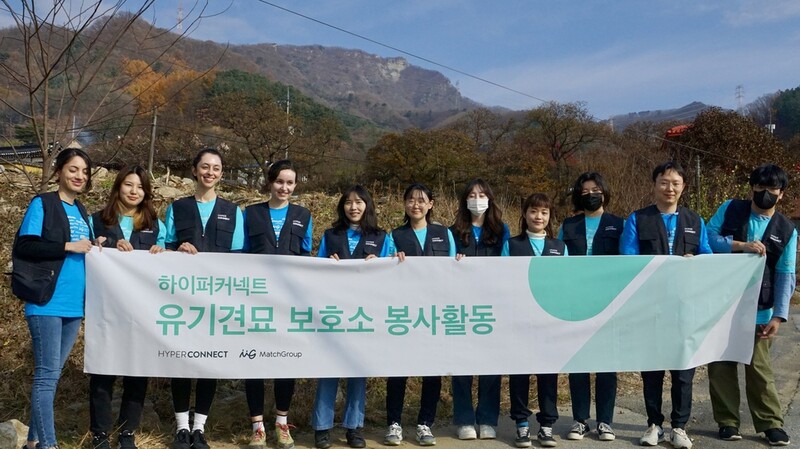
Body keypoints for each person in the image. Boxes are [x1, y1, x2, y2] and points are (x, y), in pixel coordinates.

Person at [619, 161, 712, 449]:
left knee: (684, 370)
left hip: (685, 308)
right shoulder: (637, 218)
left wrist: (695, 263)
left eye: (675, 183)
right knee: (653, 369)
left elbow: (708, 257)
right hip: (651, 307)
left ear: (683, 187)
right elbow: (628, 257)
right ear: (654, 185)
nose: (669, 188)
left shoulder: (695, 221)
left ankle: (679, 427)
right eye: (663, 182)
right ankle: (654, 424)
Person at [705, 164, 794, 446]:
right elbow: (707, 240)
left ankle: (770, 424)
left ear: (781, 194)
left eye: (771, 189)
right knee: (721, 366)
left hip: (761, 309)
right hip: (722, 304)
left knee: (760, 370)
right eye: (759, 187)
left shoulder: (787, 229)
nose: (764, 194)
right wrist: (741, 245)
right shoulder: (730, 208)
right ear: (751, 188)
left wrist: (779, 316)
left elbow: (785, 273)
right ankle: (727, 422)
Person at [12, 148, 95, 449]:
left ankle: (33, 442)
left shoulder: (83, 211)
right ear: (59, 170)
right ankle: (49, 445)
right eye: (73, 169)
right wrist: (68, 246)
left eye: (84, 172)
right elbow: (26, 246)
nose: (79, 176)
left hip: (74, 305)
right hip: (46, 301)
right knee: (47, 377)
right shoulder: (43, 203)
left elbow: (86, 249)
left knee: (52, 377)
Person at [165, 148, 245, 449]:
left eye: (217, 168)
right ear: (195, 170)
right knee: (183, 362)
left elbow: (239, 257)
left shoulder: (234, 210)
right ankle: (182, 428)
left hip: (219, 300)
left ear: (221, 174)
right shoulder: (178, 207)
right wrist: (176, 250)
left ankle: (200, 429)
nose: (211, 172)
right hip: (183, 299)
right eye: (205, 167)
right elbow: (165, 249)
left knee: (209, 362)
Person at [88, 165, 166, 449]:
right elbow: (87, 250)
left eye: (140, 187)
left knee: (137, 372)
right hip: (106, 309)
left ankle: (127, 433)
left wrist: (162, 251)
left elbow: (167, 261)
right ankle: (99, 435)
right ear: (118, 186)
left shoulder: (155, 222)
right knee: (103, 372)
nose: (134, 191)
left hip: (143, 310)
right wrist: (101, 244)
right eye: (128, 185)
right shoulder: (96, 219)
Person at [312, 185, 392, 449]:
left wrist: (381, 263)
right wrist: (327, 266)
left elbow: (392, 273)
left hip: (365, 315)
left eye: (359, 202)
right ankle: (322, 428)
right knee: (328, 371)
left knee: (358, 371)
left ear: (367, 206)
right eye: (348, 202)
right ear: (342, 206)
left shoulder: (382, 237)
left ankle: (354, 428)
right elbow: (316, 271)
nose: (353, 207)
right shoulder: (330, 235)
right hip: (333, 314)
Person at [243, 159, 313, 449]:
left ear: (295, 185)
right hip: (256, 299)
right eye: (279, 181)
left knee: (287, 362)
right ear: (270, 182)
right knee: (253, 363)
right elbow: (239, 255)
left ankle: (282, 424)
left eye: (290, 182)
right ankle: (257, 427)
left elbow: (308, 257)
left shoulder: (303, 215)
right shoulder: (250, 214)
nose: (284, 187)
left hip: (289, 302)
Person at [383, 183, 456, 447]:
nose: (416, 204)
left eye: (421, 200)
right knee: (398, 370)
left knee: (432, 371)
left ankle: (425, 424)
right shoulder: (394, 236)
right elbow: (382, 271)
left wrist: (459, 262)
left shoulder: (443, 233)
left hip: (435, 313)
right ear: (404, 205)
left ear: (431, 204)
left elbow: (453, 271)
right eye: (411, 200)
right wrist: (392, 260)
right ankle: (394, 423)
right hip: (403, 313)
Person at [558, 172, 623, 442]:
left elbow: (628, 262)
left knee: (607, 364)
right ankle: (580, 420)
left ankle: (605, 421)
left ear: (605, 192)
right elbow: (558, 261)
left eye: (595, 189)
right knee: (579, 362)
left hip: (608, 303)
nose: (590, 195)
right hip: (576, 303)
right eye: (584, 191)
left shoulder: (619, 224)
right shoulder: (569, 225)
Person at [502, 193, 567, 448]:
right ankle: (521, 424)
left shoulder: (559, 247)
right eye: (533, 211)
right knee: (519, 373)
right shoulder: (512, 244)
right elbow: (504, 280)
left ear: (550, 217)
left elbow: (566, 282)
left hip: (550, 321)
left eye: (544, 212)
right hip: (519, 320)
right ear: (525, 214)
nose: (538, 217)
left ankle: (547, 425)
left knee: (548, 374)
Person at [449, 179, 509, 441]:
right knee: (461, 364)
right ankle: (463, 419)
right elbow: (444, 266)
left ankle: (487, 418)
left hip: (492, 305)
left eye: (482, 194)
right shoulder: (453, 232)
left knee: (491, 364)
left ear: (490, 199)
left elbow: (508, 265)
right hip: (460, 306)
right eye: (472, 195)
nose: (477, 199)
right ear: (464, 200)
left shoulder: (501, 231)